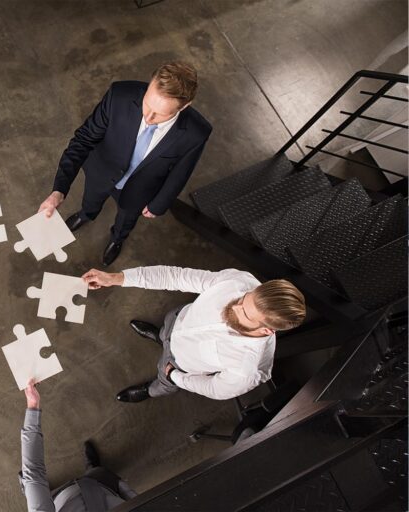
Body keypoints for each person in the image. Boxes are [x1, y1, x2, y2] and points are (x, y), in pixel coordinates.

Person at [38, 61, 212, 266]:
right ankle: (86, 215)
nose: (148, 117)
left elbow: (181, 173)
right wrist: (59, 190)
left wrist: (159, 205)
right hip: (102, 170)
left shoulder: (196, 133)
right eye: (147, 103)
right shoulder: (119, 95)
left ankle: (117, 239)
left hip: (141, 191)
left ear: (185, 106)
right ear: (149, 85)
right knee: (91, 199)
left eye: (161, 114)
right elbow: (83, 139)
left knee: (126, 220)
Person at [82, 266, 306, 401]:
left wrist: (175, 377)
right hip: (176, 321)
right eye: (243, 299)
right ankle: (159, 336)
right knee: (164, 333)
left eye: (245, 314)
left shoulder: (246, 369)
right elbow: (176, 276)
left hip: (178, 365)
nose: (233, 306)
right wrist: (115, 278)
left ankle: (150, 391)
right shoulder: (240, 282)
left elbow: (214, 389)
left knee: (164, 382)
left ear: (267, 330)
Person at [20, 380, 137, 511]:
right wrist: (128, 493)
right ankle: (93, 468)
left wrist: (33, 406)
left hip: (59, 496)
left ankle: (33, 487)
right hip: (105, 486)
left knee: (34, 486)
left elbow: (34, 473)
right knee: (98, 472)